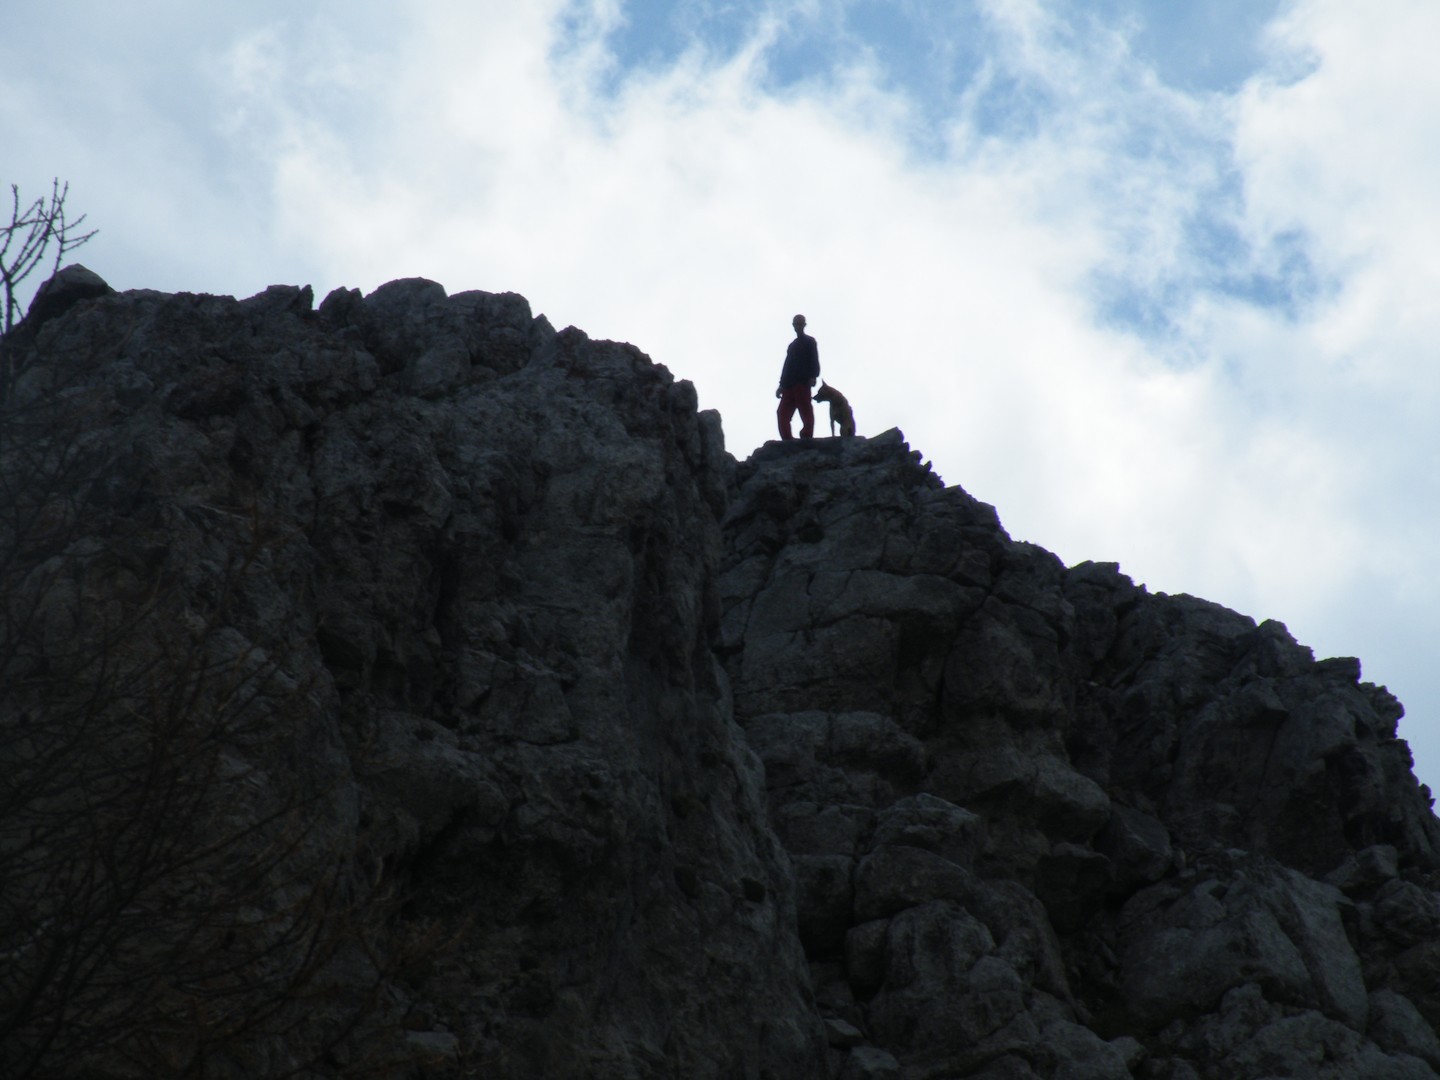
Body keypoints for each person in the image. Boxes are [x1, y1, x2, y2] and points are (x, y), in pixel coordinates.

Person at [776, 313, 820, 440]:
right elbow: (787, 366)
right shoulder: (792, 346)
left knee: (805, 411)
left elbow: (814, 359)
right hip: (789, 385)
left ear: (804, 325)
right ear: (793, 326)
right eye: (796, 324)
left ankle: (806, 436)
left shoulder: (810, 342)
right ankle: (787, 439)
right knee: (782, 413)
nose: (798, 327)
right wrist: (781, 385)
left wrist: (813, 376)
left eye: (800, 324)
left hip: (802, 382)